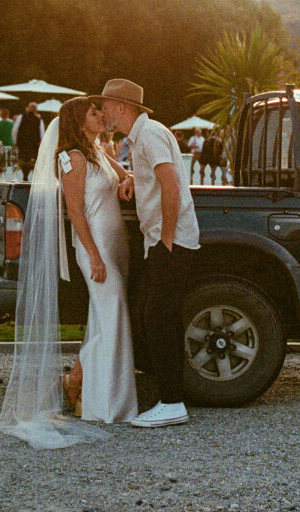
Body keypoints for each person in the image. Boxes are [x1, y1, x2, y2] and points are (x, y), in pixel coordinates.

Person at [0, 97, 137, 449]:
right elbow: (75, 213)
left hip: (115, 240)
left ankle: (76, 383)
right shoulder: (72, 159)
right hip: (95, 246)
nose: (101, 116)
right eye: (94, 113)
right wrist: (93, 255)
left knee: (103, 319)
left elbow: (125, 176)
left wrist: (125, 182)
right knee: (113, 315)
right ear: (78, 122)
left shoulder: (96, 151)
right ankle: (102, 402)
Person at [97, 79, 200, 429]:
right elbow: (156, 181)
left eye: (107, 106)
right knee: (151, 315)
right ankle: (170, 395)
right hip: (162, 239)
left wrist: (166, 239)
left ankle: (173, 403)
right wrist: (132, 181)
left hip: (169, 240)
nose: (103, 112)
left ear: (123, 107)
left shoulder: (151, 135)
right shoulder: (141, 137)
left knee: (158, 318)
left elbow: (170, 185)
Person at [13, 101, 45, 180]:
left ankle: (23, 177)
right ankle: (30, 178)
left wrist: (15, 141)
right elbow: (42, 133)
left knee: (22, 161)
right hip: (33, 145)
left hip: (22, 143)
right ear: (36, 110)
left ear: (28, 109)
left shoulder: (21, 117)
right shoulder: (39, 119)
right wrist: (41, 144)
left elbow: (15, 130)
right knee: (32, 161)